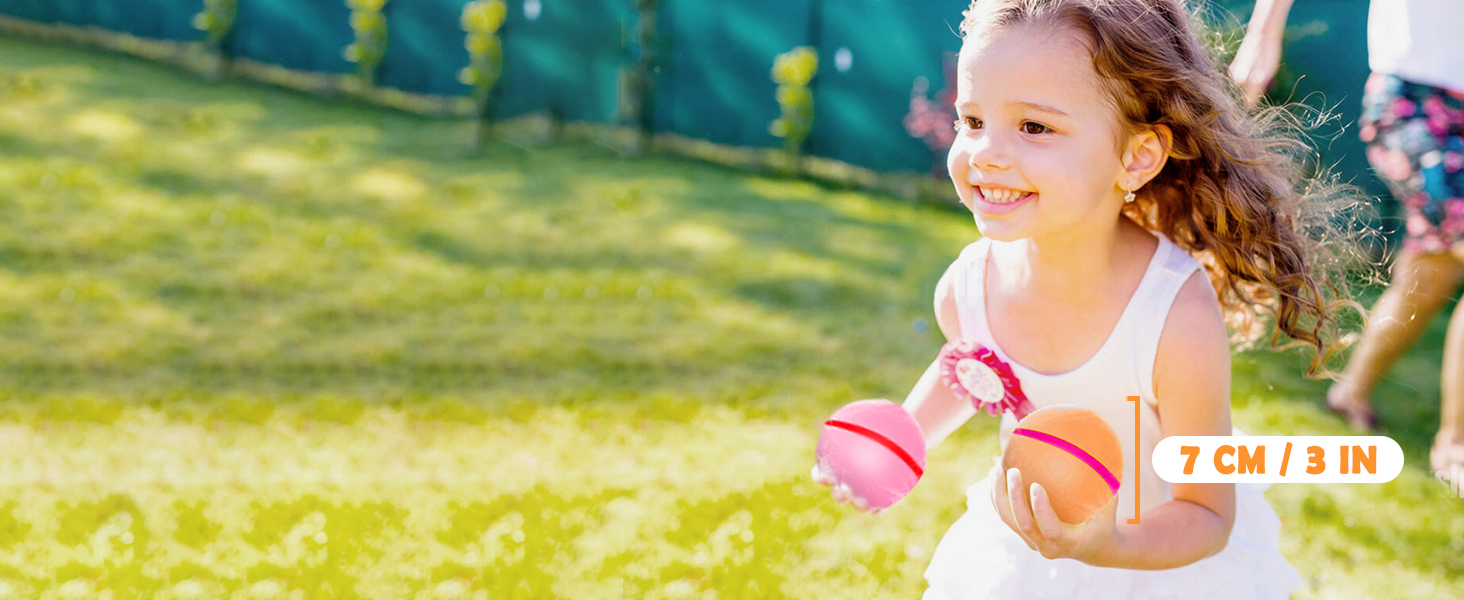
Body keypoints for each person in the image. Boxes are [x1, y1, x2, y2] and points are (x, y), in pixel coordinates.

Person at [812, 0, 1361, 597]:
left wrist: (1107, 546)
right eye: (972, 121)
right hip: (1027, 558)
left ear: (1136, 157)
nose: (986, 152)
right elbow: (979, 372)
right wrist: (898, 445)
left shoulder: (1174, 315)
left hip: (1157, 562)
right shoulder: (969, 287)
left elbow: (1207, 512)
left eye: (1035, 127)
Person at [1230, 0, 1464, 492]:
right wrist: (1263, 33)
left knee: (1434, 271)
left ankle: (1352, 391)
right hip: (1414, 101)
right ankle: (1456, 447)